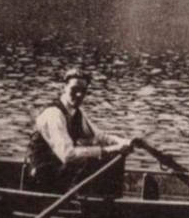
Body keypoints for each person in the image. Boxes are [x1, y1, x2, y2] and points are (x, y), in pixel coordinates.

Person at [23, 66, 136, 194]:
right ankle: (98, 206)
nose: (79, 94)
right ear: (63, 88)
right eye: (74, 89)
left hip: (58, 171)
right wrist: (106, 150)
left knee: (107, 158)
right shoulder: (53, 114)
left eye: (83, 90)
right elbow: (68, 155)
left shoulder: (77, 113)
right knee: (95, 159)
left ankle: (104, 203)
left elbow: (100, 136)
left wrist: (125, 142)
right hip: (41, 179)